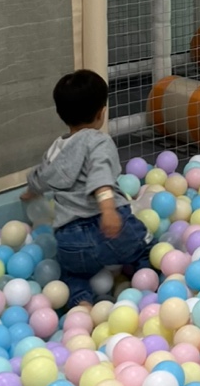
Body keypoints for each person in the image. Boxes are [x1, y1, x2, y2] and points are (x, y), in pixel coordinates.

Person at [19, 70, 151, 310]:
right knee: (145, 248)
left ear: (61, 114)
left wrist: (30, 192)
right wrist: (108, 210)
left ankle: (82, 304)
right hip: (109, 230)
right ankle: (148, 287)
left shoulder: (55, 150)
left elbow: (41, 176)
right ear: (101, 113)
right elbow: (100, 176)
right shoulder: (98, 141)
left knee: (72, 273)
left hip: (71, 240)